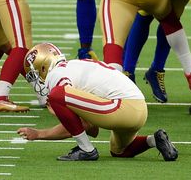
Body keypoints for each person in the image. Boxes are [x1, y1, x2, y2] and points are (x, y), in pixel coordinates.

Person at [16, 42, 178, 162]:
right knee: (119, 151)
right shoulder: (74, 67)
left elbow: (62, 98)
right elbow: (91, 128)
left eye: (35, 74)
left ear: (43, 68)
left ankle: (86, 150)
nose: (37, 80)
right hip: (138, 108)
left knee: (57, 95)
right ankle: (154, 140)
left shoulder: (56, 74)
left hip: (121, 107)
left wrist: (39, 133)